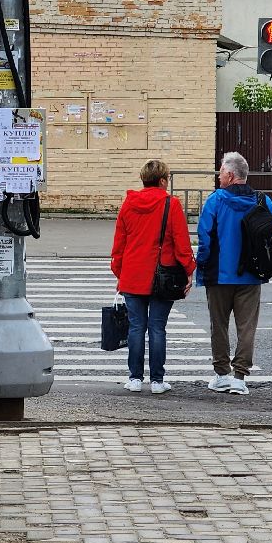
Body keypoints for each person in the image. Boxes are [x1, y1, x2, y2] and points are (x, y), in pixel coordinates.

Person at [195, 151, 272, 395]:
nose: (219, 176)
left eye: (222, 172)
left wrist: (200, 265)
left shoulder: (215, 200)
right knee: (247, 328)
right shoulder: (262, 200)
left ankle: (221, 375)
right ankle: (239, 379)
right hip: (251, 275)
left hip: (219, 275)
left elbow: (204, 237)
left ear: (231, 175)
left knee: (219, 325)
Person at [110, 159, 195, 395]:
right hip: (163, 277)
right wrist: (189, 270)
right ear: (162, 180)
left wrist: (120, 272)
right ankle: (157, 381)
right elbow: (181, 243)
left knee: (136, 328)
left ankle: (135, 378)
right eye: (167, 179)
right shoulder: (171, 204)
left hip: (133, 275)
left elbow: (119, 245)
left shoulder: (128, 205)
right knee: (158, 328)